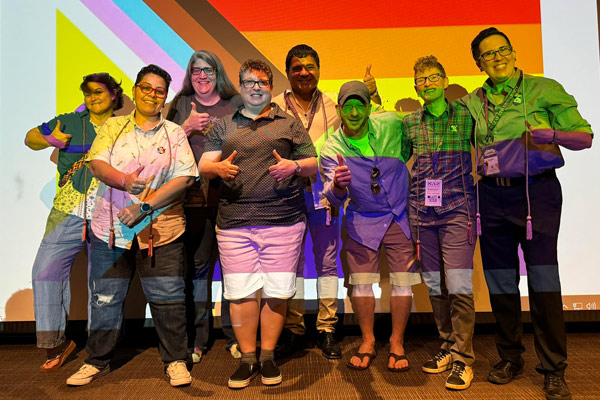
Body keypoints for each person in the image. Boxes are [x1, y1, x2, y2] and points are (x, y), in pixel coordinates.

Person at [459, 27, 593, 400]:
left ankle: (553, 368)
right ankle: (509, 358)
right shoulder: (474, 101)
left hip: (538, 195)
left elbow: (585, 136)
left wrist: (552, 135)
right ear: (479, 63)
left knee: (543, 282)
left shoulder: (544, 88)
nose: (497, 57)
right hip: (491, 196)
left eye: (502, 50)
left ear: (514, 53)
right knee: (501, 283)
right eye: (488, 54)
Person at [66, 64, 198, 387]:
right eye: (147, 88)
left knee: (168, 298)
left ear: (165, 97)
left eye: (160, 91)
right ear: (136, 90)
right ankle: (96, 360)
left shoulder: (175, 132)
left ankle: (176, 361)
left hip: (162, 230)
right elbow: (97, 164)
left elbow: (185, 178)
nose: (153, 95)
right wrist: (126, 181)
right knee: (104, 299)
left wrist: (146, 206)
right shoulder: (112, 128)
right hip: (110, 229)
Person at [199, 59, 317, 389]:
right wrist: (218, 170)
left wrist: (293, 167)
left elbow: (312, 163)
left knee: (277, 295)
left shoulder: (289, 123)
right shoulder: (224, 125)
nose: (256, 87)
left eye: (263, 82)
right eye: (250, 82)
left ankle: (267, 357)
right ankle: (247, 358)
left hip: (284, 222)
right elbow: (204, 166)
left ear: (270, 87)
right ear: (241, 85)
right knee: (240, 295)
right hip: (235, 223)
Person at [272, 44, 380, 359]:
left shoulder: (335, 107)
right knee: (289, 265)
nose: (304, 72)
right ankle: (292, 329)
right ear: (288, 72)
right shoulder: (275, 107)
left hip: (325, 197)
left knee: (327, 264)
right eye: (296, 67)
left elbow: (366, 127)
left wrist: (375, 97)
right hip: (285, 197)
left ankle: (326, 327)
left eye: (310, 66)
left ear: (319, 69)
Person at [320, 81, 421, 372]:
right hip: (362, 220)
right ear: (339, 109)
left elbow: (414, 134)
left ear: (368, 108)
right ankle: (367, 341)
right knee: (362, 282)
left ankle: (397, 342)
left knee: (403, 282)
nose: (353, 111)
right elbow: (333, 196)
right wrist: (338, 185)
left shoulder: (390, 123)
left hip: (400, 216)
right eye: (347, 105)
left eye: (359, 105)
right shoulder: (332, 147)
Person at [26, 73, 123, 372]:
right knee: (45, 274)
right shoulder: (69, 121)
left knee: (102, 284)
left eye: (99, 92)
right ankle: (55, 342)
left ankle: (98, 353)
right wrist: (48, 139)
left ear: (114, 95)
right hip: (67, 209)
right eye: (88, 93)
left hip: (108, 211)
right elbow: (29, 138)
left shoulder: (124, 126)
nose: (92, 98)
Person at [403, 56, 476, 390]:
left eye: (433, 78)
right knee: (435, 284)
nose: (427, 84)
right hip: (422, 212)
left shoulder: (466, 114)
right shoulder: (409, 123)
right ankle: (447, 345)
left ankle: (463, 358)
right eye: (421, 80)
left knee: (459, 284)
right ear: (415, 86)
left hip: (458, 208)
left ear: (445, 81)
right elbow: (396, 156)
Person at [166, 49, 243, 362]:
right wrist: (186, 128)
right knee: (198, 270)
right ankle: (198, 340)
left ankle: (236, 337)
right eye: (196, 70)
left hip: (232, 197)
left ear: (218, 73)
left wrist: (222, 137)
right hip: (193, 201)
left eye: (208, 70)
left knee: (234, 271)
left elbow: (251, 141)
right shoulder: (181, 104)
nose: (202, 76)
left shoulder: (235, 103)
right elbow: (161, 149)